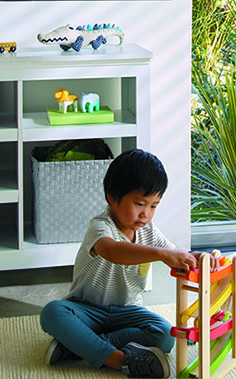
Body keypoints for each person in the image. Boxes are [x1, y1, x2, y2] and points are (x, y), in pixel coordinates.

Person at [40, 149, 198, 378]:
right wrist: (161, 254)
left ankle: (76, 346)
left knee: (165, 334)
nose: (146, 214)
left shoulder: (149, 231)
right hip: (87, 309)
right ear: (112, 197)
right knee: (52, 313)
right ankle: (120, 361)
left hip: (128, 311)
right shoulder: (100, 226)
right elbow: (113, 251)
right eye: (139, 203)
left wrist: (200, 258)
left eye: (153, 206)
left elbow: (176, 253)